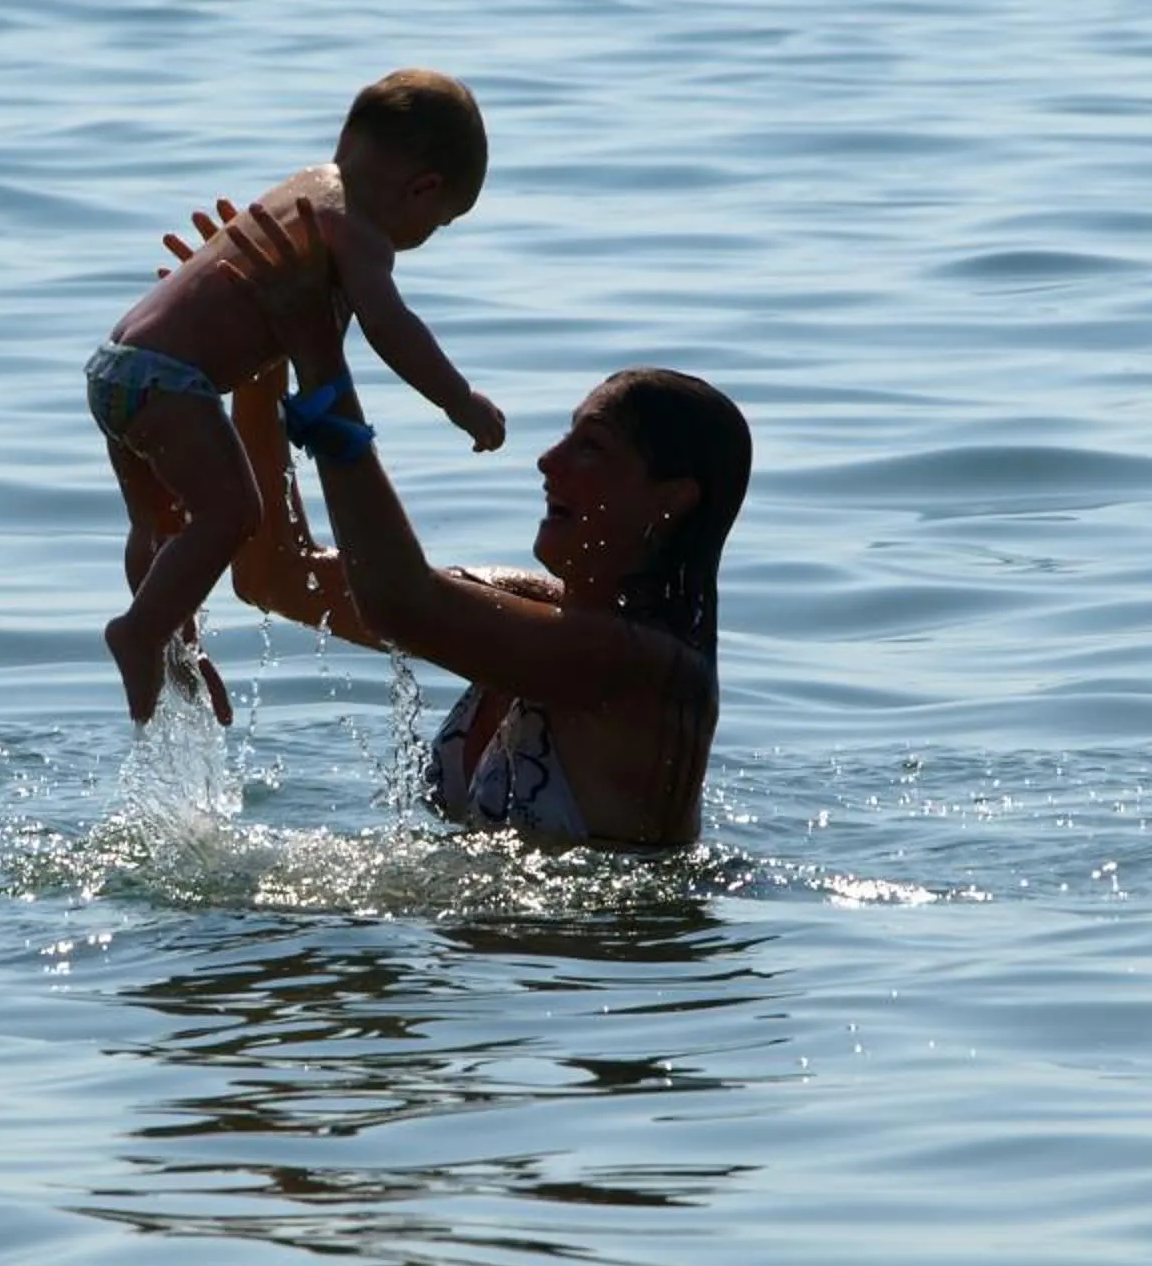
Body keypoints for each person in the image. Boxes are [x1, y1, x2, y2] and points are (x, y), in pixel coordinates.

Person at [212, 195, 750, 848]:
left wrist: (319, 355)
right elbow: (277, 575)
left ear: (673, 500)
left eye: (593, 447)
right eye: (564, 438)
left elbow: (398, 600)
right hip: (497, 943)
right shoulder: (526, 613)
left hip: (597, 950)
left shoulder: (641, 667)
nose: (549, 461)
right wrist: (262, 365)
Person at [87, 68, 508, 725]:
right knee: (231, 516)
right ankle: (142, 631)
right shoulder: (357, 232)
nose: (428, 236)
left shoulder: (303, 187)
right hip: (172, 381)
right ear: (422, 189)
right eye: (441, 222)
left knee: (162, 524)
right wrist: (459, 399)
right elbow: (390, 326)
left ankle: (176, 647)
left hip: (116, 367)